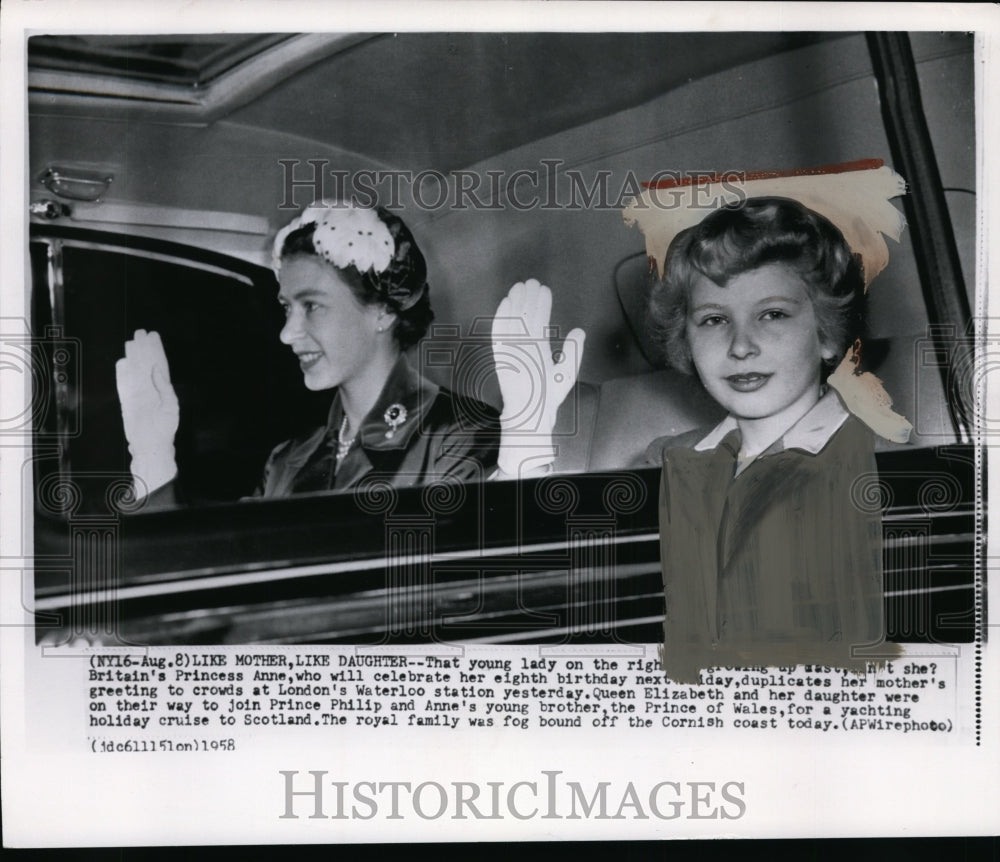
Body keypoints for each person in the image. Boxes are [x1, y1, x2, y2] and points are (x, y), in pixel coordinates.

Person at [642, 196, 899, 681]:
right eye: (714, 319)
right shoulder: (663, 461)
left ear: (825, 334)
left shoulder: (877, 462)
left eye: (772, 314)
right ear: (688, 342)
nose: (741, 346)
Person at [117, 202, 507, 502]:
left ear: (383, 312)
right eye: (287, 307)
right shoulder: (287, 460)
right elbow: (224, 571)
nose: (287, 333)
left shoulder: (462, 439)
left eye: (313, 306)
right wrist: (153, 460)